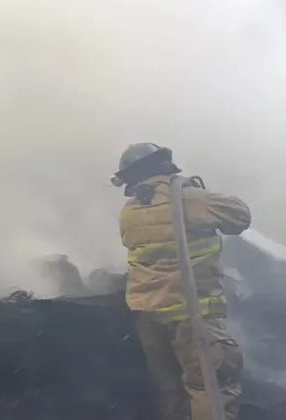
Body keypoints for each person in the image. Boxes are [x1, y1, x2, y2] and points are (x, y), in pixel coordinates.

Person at [111, 142, 251, 420]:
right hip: (193, 317)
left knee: (171, 394)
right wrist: (195, 189)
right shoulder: (190, 199)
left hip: (150, 320)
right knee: (211, 390)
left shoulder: (129, 212)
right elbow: (241, 216)